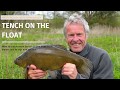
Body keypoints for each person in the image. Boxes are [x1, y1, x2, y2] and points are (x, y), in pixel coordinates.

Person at [27, 13, 114, 79]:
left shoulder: (101, 57)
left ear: (86, 35)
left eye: (79, 34)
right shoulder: (58, 56)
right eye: (71, 35)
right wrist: (31, 77)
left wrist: (77, 77)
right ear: (65, 37)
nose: (75, 39)